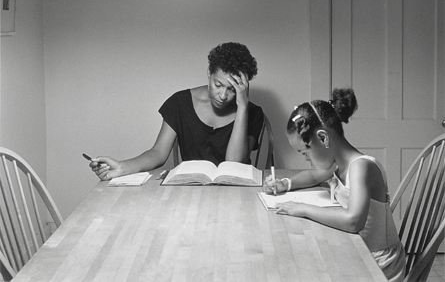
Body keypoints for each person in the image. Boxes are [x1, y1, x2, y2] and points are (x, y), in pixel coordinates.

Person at [264, 88, 406, 282]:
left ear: (323, 138)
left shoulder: (361, 167)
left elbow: (353, 220)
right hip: (357, 249)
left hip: (378, 263)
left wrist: (303, 209)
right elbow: (313, 176)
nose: (306, 159)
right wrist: (285, 184)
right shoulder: (339, 163)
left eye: (305, 152)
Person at [89, 42, 264, 180]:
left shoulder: (252, 113)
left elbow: (234, 165)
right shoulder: (180, 103)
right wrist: (122, 167)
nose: (223, 95)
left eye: (232, 89)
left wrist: (242, 107)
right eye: (218, 85)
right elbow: (158, 153)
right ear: (209, 74)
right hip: (190, 189)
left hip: (236, 193)